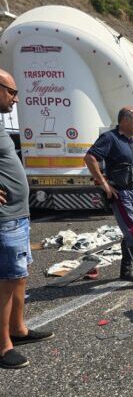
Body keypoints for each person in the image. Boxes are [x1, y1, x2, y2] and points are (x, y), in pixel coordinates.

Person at [0, 68, 54, 369]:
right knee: (6, 280)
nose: (16, 99)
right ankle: (2, 345)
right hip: (4, 219)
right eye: (12, 92)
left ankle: (18, 329)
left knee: (19, 275)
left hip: (17, 215)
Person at [84, 107, 133, 289]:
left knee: (130, 232)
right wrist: (104, 184)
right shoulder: (110, 138)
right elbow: (90, 158)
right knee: (132, 232)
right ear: (124, 120)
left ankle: (126, 271)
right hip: (122, 194)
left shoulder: (130, 140)